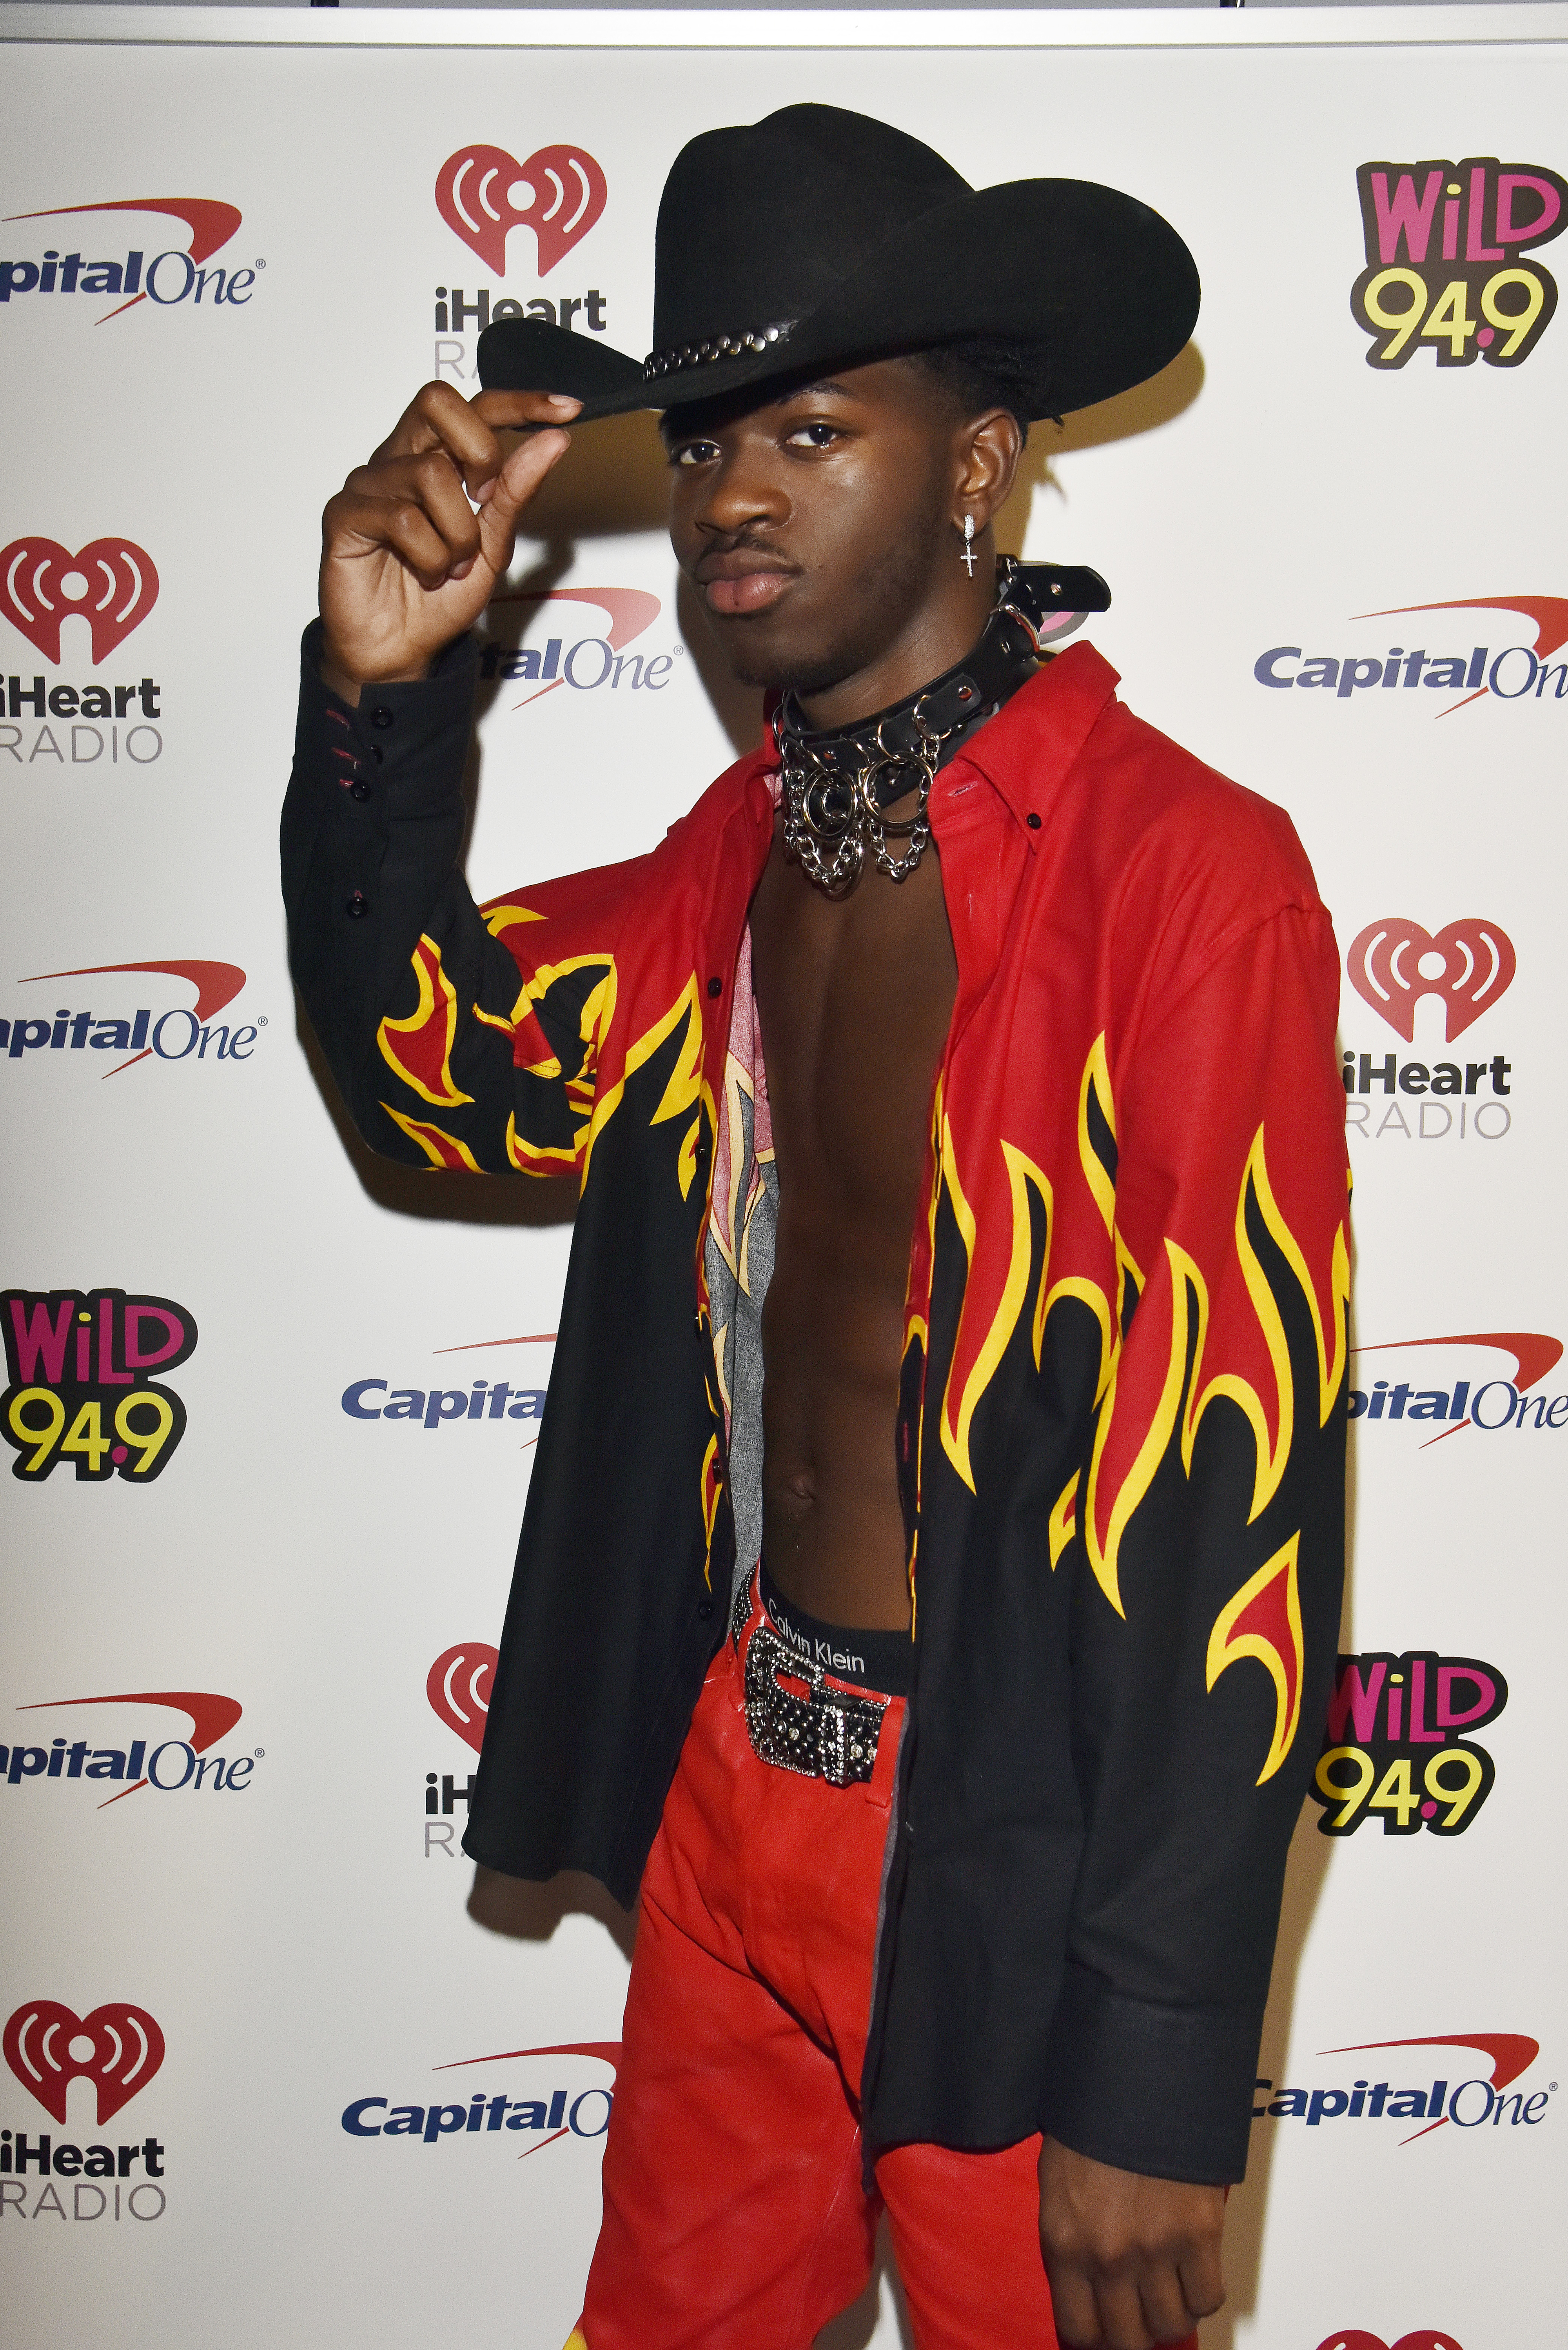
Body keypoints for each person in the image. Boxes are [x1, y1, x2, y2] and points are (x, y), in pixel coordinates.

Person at [283, 104, 1349, 2350]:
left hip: (1002, 1856)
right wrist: (384, 702)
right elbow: (436, 1076)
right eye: (696, 445)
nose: (728, 498)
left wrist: (1159, 2057)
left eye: (809, 428)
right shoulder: (734, 849)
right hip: (735, 1779)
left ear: (974, 466)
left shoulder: (1181, 869)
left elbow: (1235, 1494)